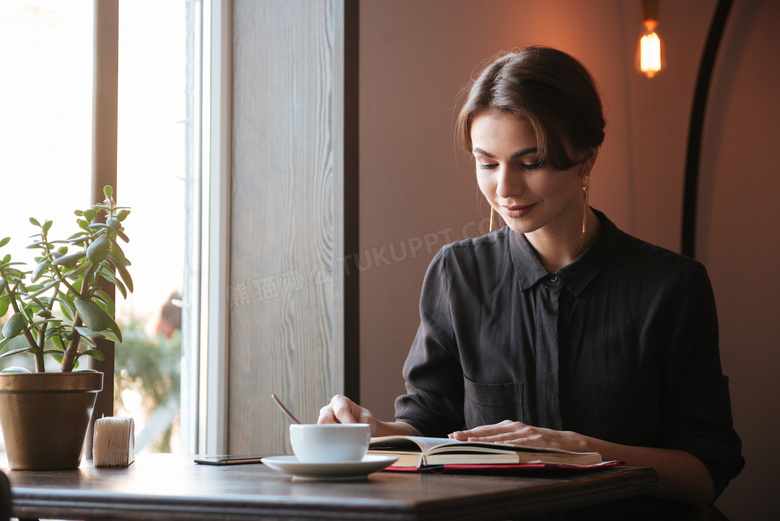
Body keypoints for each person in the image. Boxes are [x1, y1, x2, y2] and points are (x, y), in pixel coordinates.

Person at [318, 46, 743, 511]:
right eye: (487, 163)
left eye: (531, 161)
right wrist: (374, 433)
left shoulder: (671, 287)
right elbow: (430, 419)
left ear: (585, 158)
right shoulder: (457, 273)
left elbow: (704, 474)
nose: (505, 188)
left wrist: (581, 451)